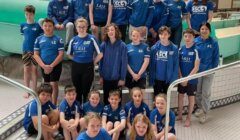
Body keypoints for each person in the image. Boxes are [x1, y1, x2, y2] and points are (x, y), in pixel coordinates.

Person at [67, 18, 103, 104]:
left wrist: (93, 62)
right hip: (76, 67)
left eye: (83, 27)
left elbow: (100, 54)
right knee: (77, 91)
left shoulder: (92, 38)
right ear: (76, 28)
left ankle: (86, 110)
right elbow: (69, 54)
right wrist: (76, 59)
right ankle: (78, 110)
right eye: (79, 27)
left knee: (86, 91)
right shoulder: (73, 40)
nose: (81, 29)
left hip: (88, 67)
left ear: (87, 27)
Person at [34, 18, 64, 105]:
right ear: (42, 27)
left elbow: (61, 54)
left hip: (56, 65)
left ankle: (54, 104)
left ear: (53, 27)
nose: (47, 28)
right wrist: (43, 66)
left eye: (50, 26)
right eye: (45, 26)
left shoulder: (58, 39)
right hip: (44, 66)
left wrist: (51, 66)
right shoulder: (38, 39)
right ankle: (46, 103)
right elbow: (36, 54)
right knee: (46, 85)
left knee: (54, 84)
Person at [194, 22, 219, 124]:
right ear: (200, 30)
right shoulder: (195, 42)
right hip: (198, 71)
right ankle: (200, 108)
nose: (204, 31)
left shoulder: (213, 42)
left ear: (210, 31)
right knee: (198, 92)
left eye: (206, 29)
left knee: (206, 93)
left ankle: (205, 112)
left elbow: (216, 58)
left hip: (209, 71)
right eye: (202, 29)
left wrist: (212, 69)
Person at [99, 24, 127, 105]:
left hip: (117, 79)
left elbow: (124, 63)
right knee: (106, 100)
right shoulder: (103, 45)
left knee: (117, 100)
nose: (110, 32)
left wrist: (122, 78)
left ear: (116, 31)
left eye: (112, 30)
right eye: (108, 30)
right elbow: (101, 61)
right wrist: (101, 76)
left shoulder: (122, 45)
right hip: (106, 78)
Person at [177, 29, 200, 127]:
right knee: (180, 97)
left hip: (192, 80)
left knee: (191, 99)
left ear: (193, 37)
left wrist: (187, 79)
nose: (187, 38)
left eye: (189, 36)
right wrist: (181, 77)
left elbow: (196, 67)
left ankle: (189, 118)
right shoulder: (181, 49)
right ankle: (180, 115)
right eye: (185, 36)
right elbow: (178, 65)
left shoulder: (196, 49)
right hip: (181, 79)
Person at [20, 5, 43, 98]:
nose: (28, 16)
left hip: (35, 51)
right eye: (26, 14)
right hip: (25, 50)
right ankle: (27, 90)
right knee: (26, 70)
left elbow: (40, 39)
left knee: (34, 70)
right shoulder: (23, 25)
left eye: (30, 14)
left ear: (33, 14)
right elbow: (24, 37)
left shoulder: (38, 26)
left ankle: (34, 90)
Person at [149, 26, 179, 96]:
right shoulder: (154, 48)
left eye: (165, 34)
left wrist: (173, 80)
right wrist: (151, 79)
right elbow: (151, 65)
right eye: (161, 34)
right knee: (157, 99)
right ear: (159, 35)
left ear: (169, 35)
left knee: (166, 100)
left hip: (168, 79)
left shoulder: (174, 48)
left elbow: (176, 65)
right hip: (157, 79)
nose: (163, 36)